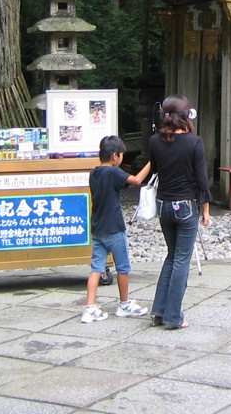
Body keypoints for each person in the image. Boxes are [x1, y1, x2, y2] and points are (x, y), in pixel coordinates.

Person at [147, 95, 211, 329]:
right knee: (182, 260)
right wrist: (205, 209)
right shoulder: (194, 142)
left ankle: (159, 311)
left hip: (164, 205)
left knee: (172, 256)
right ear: (187, 116)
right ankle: (173, 316)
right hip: (185, 206)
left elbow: (155, 169)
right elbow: (202, 181)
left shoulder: (154, 141)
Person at [81, 135, 153, 323]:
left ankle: (90, 308)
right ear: (115, 156)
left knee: (96, 269)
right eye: (122, 155)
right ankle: (124, 304)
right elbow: (136, 180)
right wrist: (153, 162)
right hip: (114, 229)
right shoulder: (114, 172)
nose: (122, 158)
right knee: (123, 268)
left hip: (98, 228)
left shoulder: (94, 173)